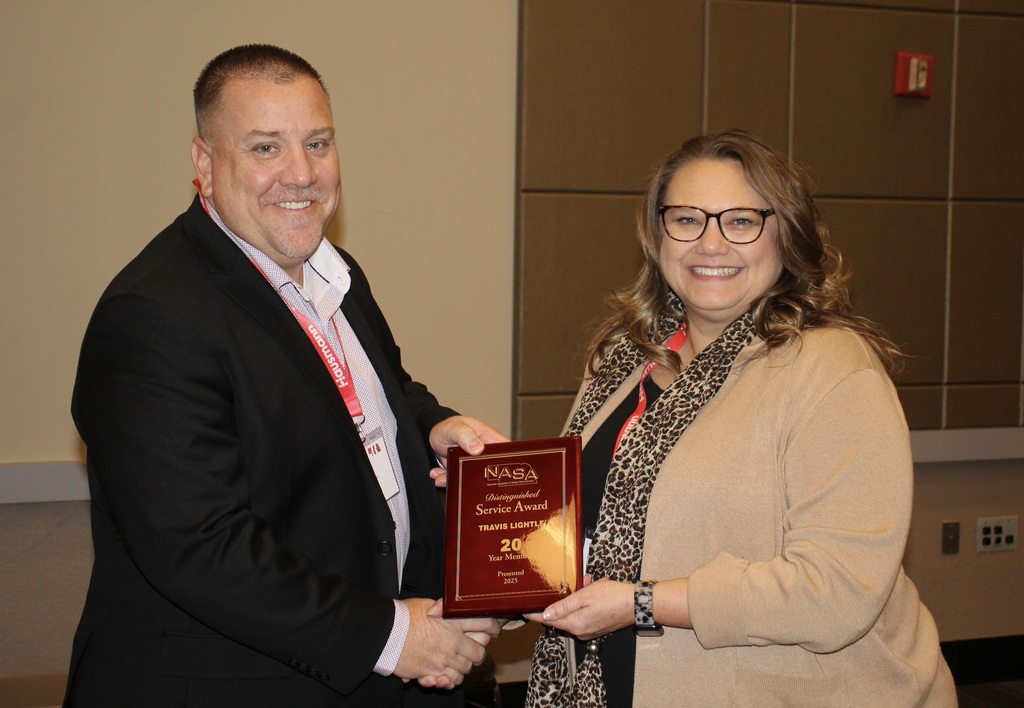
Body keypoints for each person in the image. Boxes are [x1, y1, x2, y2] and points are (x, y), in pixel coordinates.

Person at [64, 44, 506, 707]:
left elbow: (376, 392)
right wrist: (391, 636)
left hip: (365, 672)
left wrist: (432, 426)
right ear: (204, 164)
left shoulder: (335, 273)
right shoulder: (152, 316)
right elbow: (200, 546)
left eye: (317, 143)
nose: (301, 174)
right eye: (265, 148)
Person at [523, 130, 957, 706]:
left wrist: (642, 602)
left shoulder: (831, 368)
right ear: (658, 234)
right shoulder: (623, 356)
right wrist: (496, 505)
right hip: (611, 682)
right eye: (687, 219)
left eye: (741, 222)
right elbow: (588, 514)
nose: (711, 243)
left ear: (786, 234)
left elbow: (838, 589)